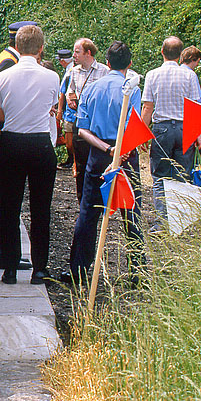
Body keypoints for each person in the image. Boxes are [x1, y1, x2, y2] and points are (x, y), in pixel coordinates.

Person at [0, 24, 60, 285]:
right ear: (41, 49)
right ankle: (39, 269)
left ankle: (10, 268)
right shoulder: (52, 77)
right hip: (40, 144)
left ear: (16, 47)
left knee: (10, 207)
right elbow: (52, 106)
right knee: (41, 209)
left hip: (11, 143)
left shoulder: (4, 76)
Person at [67, 42, 135, 287]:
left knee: (88, 212)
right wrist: (121, 149)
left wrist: (107, 149)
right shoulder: (131, 90)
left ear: (107, 63)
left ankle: (78, 270)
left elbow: (82, 129)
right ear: (129, 64)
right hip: (126, 153)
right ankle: (137, 272)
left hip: (98, 153)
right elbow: (133, 124)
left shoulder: (92, 89)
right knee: (131, 213)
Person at [0, 21, 35, 270]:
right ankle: (2, 255)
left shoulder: (3, 59)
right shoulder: (9, 64)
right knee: (5, 200)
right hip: (4, 140)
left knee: (2, 199)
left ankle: (3, 253)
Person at [139, 36, 201, 230]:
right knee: (182, 176)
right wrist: (198, 133)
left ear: (162, 52)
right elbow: (195, 107)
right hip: (185, 128)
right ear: (180, 54)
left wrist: (143, 132)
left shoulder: (152, 74)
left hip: (162, 129)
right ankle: (180, 222)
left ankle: (161, 223)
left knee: (160, 177)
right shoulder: (190, 75)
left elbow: (148, 108)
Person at [60, 38, 109, 200]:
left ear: (88, 53)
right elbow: (70, 90)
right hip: (79, 121)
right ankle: (82, 199)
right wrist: (70, 98)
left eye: (77, 52)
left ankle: (100, 199)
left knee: (99, 162)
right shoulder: (74, 71)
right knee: (80, 162)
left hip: (98, 122)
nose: (74, 55)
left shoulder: (103, 71)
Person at [55, 49, 75, 166]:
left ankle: (72, 160)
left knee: (69, 139)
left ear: (63, 61)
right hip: (72, 110)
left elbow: (62, 94)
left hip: (70, 111)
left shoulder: (69, 72)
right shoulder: (73, 69)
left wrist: (59, 111)